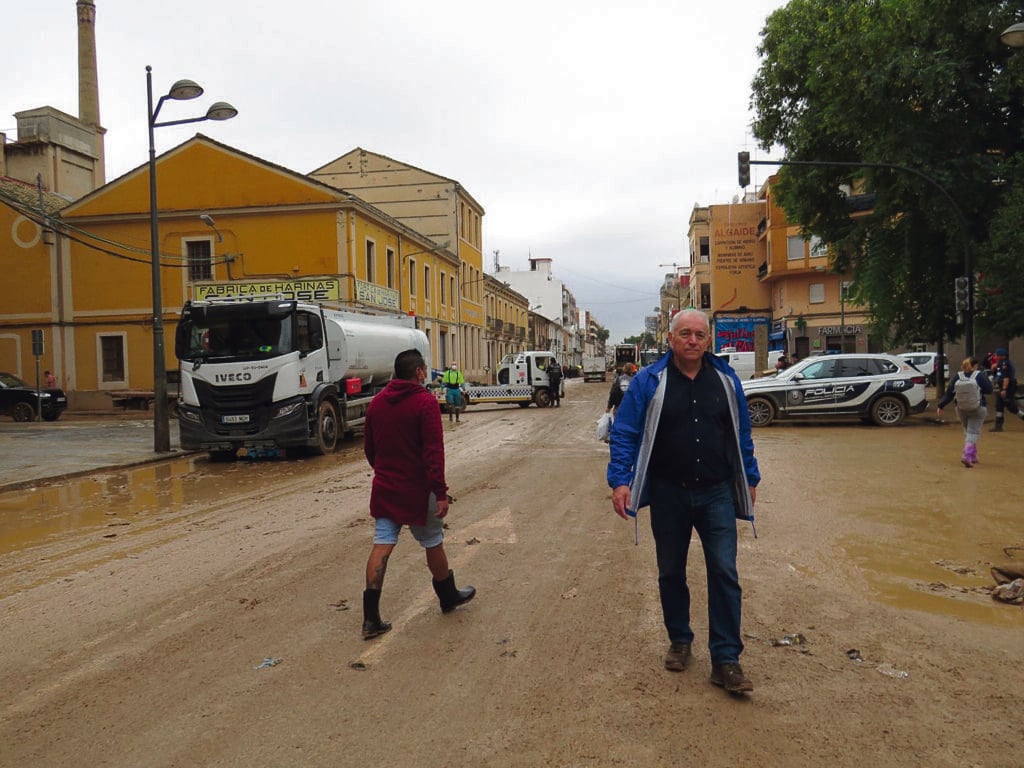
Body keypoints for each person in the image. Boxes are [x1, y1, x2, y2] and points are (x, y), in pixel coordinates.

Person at [607, 309, 760, 694]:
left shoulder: (726, 380)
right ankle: (680, 638)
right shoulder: (648, 381)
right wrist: (620, 481)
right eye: (685, 334)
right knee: (670, 571)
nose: (693, 341)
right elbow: (624, 433)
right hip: (668, 491)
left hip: (717, 492)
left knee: (725, 571)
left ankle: (726, 659)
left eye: (700, 335)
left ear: (709, 340)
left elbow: (741, 431)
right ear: (671, 339)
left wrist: (751, 476)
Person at [361, 349, 475, 640]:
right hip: (418, 490)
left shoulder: (376, 404)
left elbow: (370, 450)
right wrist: (440, 492)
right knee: (433, 541)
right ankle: (448, 596)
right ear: (420, 372)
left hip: (386, 489)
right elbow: (434, 454)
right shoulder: (424, 403)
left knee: (382, 544)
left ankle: (371, 619)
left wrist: (385, 472)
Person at [936, 357, 992, 467]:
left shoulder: (958, 376)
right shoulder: (979, 375)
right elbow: (989, 390)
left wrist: (941, 405)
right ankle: (967, 455)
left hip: (961, 408)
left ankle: (973, 455)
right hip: (978, 408)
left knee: (968, 431)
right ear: (975, 366)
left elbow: (949, 393)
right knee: (973, 432)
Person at [989, 348, 1021, 432]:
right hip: (1004, 386)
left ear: (1002, 356)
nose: (996, 356)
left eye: (997, 355)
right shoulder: (1001, 363)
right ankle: (998, 426)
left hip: (1008, 386)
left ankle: (1022, 416)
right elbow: (998, 375)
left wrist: (1004, 389)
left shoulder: (1005, 364)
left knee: (1009, 405)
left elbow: (1006, 378)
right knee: (999, 404)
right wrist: (994, 369)